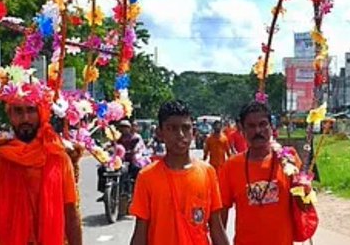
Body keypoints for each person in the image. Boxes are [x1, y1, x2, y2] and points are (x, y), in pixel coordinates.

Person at [0, 102, 82, 245]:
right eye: (18, 111)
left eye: (31, 110)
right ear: (10, 115)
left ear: (41, 114)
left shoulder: (59, 159)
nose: (25, 118)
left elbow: (71, 214)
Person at [130, 100, 230, 245]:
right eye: (172, 128)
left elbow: (217, 228)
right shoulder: (147, 176)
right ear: (160, 133)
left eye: (186, 128)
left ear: (193, 132)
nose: (180, 135)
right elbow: (140, 232)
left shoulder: (207, 172)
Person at [218, 102, 305, 245]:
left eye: (263, 124)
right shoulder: (231, 167)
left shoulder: (288, 159)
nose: (258, 130)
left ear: (271, 127)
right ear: (242, 130)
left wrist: (305, 196)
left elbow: (303, 206)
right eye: (251, 126)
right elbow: (220, 218)